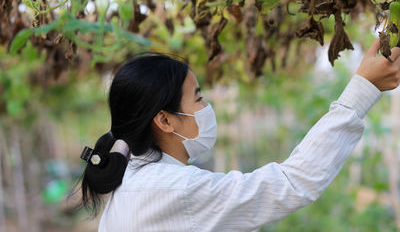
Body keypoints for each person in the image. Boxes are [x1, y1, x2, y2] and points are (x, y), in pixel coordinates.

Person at [77, 38, 400, 231]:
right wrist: (362, 90)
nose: (207, 107)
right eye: (199, 98)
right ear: (165, 120)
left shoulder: (135, 177)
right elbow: (292, 183)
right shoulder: (173, 189)